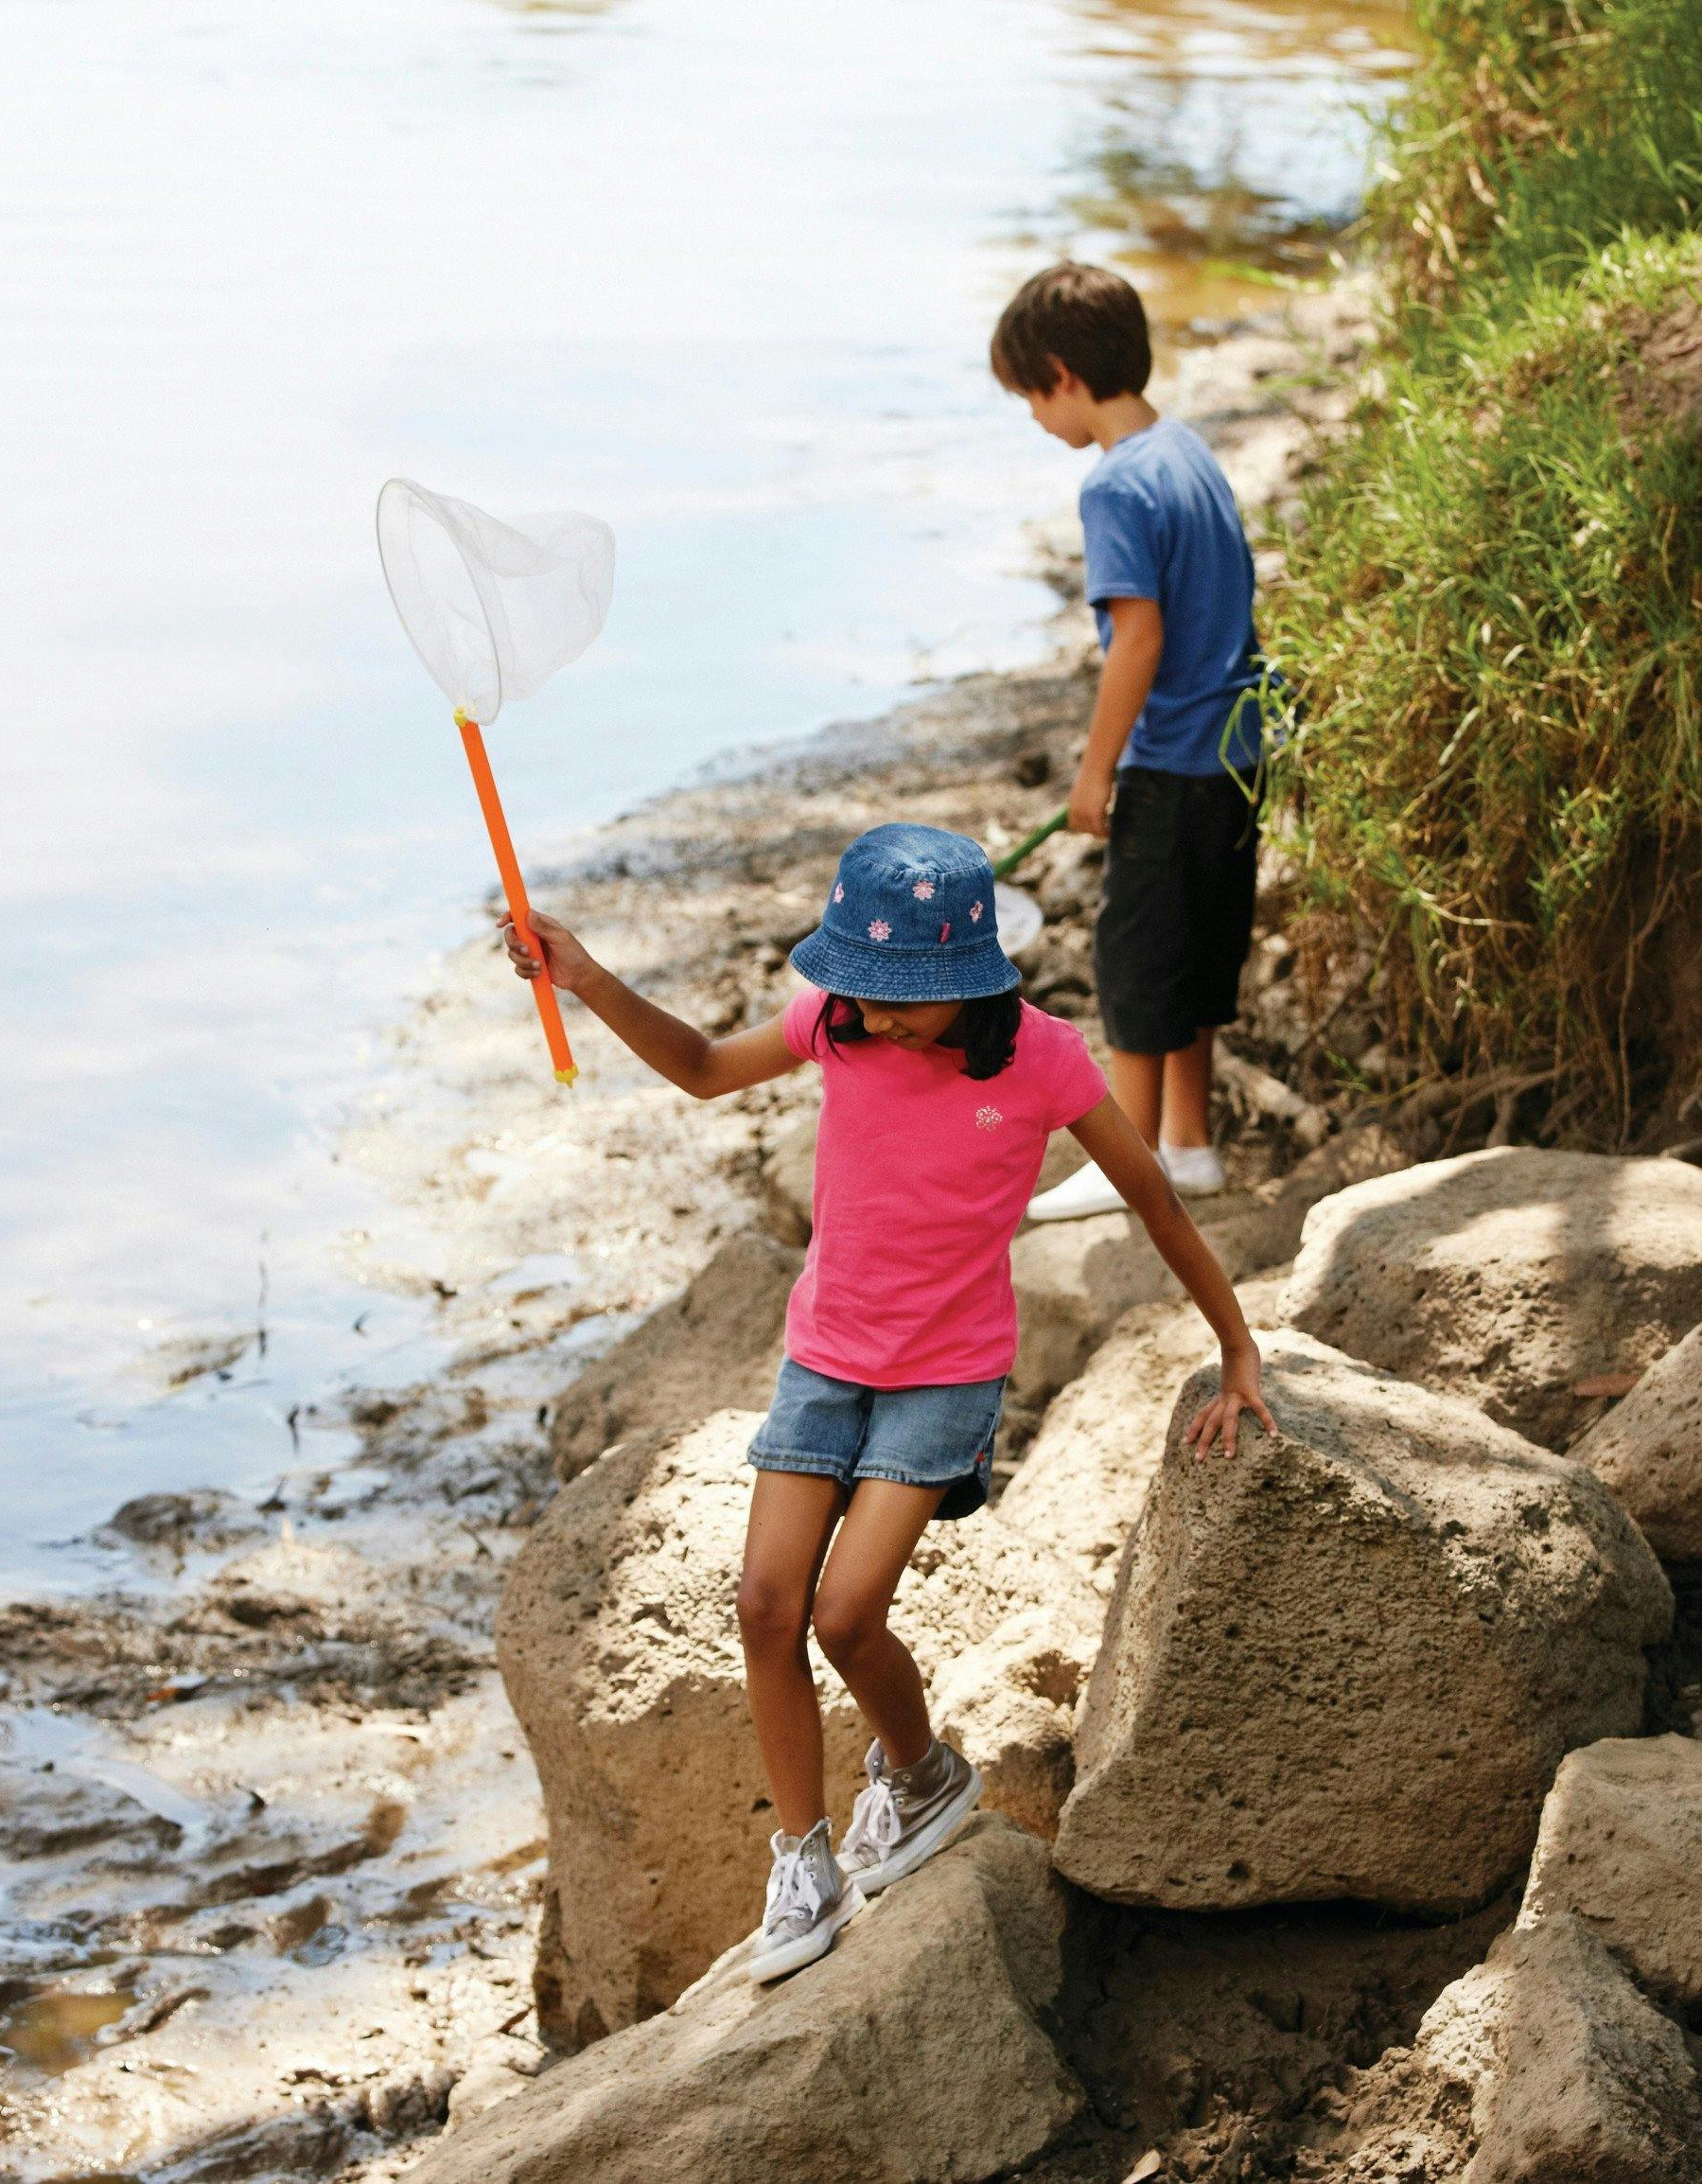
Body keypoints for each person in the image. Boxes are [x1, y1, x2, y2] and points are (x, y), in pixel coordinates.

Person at [503, 822, 1272, 1983]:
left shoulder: (1045, 1061)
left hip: (945, 1372)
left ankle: (921, 1776)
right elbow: (708, 1067)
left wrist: (1237, 1347)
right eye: (854, 987)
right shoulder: (834, 1022)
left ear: (966, 977)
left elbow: (1155, 1199)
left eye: (896, 995)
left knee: (844, 1615)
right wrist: (586, 975)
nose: (867, 1013)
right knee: (767, 1601)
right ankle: (802, 1858)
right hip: (824, 1356)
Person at [991, 261, 1268, 1223]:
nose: (1034, 418)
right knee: (1197, 953)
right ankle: (1188, 1145)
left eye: (1030, 396)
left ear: (1061, 374)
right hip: (1237, 752)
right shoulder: (1188, 451)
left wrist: (1095, 771)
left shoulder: (1114, 487)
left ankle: (1132, 1162)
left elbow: (1138, 637)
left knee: (1138, 962)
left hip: (1169, 757)